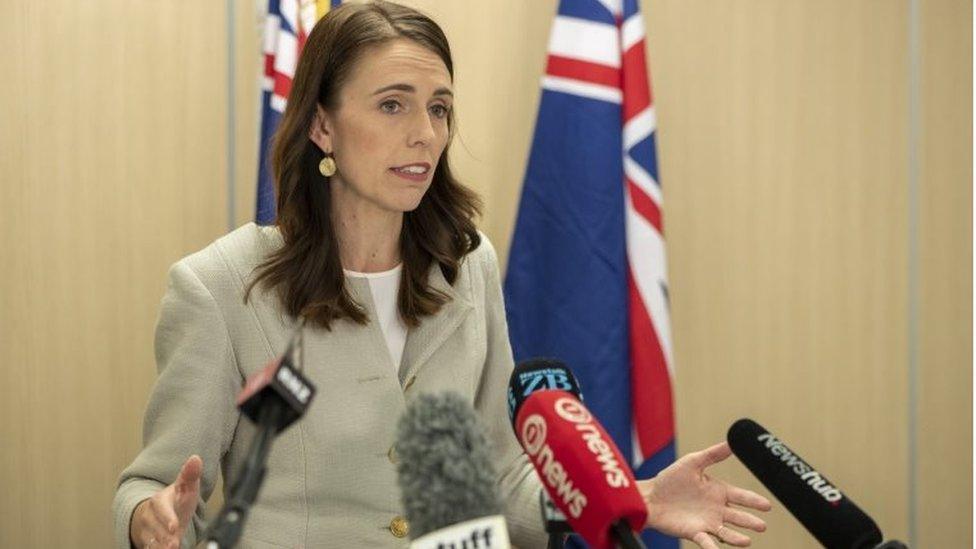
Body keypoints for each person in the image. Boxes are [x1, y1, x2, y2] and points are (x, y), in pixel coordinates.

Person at [113, 2, 771, 548]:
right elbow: (154, 486)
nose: (426, 133)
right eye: (393, 106)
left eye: (439, 108)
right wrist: (150, 520)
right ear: (322, 124)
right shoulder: (223, 286)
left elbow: (500, 472)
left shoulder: (466, 265)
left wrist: (630, 497)